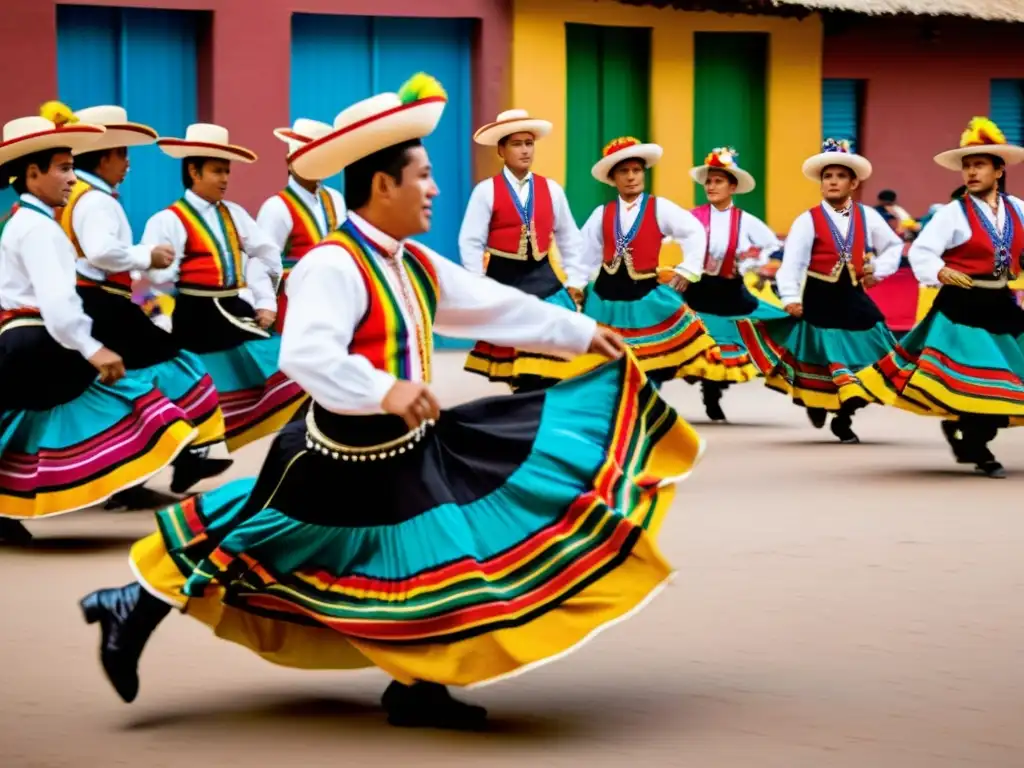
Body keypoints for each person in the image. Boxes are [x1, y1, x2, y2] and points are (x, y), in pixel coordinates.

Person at [80, 73, 704, 731]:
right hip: (335, 453)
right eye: (425, 176)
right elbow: (306, 356)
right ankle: (134, 600)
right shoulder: (333, 263)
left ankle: (415, 688)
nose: (435, 188)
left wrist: (578, 330)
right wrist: (386, 388)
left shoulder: (412, 262)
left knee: (430, 558)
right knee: (251, 545)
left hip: (398, 447)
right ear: (384, 185)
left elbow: (489, 303)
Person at [0, 103, 196, 544]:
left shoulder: (26, 220)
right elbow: (72, 286)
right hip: (63, 326)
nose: (71, 177)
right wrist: (93, 347)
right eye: (63, 168)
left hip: (48, 328)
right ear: (32, 174)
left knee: (23, 424)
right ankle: (172, 463)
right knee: (138, 400)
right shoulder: (54, 223)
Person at [58, 105, 232, 510]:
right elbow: (102, 254)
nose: (127, 164)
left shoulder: (75, 197)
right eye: (122, 154)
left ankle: (153, 471)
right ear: (104, 156)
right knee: (179, 368)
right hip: (104, 304)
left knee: (129, 385)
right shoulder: (97, 202)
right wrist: (146, 255)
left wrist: (145, 288)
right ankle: (180, 460)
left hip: (97, 301)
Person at [857, 117, 1024, 477]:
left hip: (1001, 305)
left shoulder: (1018, 210)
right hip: (961, 307)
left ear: (999, 169)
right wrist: (940, 271)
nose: (971, 172)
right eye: (966, 166)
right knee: (985, 379)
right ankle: (978, 446)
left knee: (1012, 380)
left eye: (979, 164)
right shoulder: (953, 213)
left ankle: (966, 431)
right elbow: (921, 252)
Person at [141, 123, 308, 452]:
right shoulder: (168, 220)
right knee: (283, 365)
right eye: (217, 171)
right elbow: (150, 281)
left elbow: (267, 253)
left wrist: (265, 301)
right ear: (193, 170)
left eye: (227, 171)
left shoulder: (234, 214)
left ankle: (293, 442)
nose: (225, 179)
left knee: (291, 365)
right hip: (195, 314)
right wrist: (159, 322)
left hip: (230, 308)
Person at [753, 139, 904, 443]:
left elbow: (894, 245)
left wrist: (879, 270)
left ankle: (845, 415)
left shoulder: (868, 216)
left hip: (854, 297)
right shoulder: (808, 220)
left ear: (853, 182)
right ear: (821, 184)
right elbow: (792, 264)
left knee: (877, 351)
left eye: (840, 176)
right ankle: (821, 403)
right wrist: (791, 297)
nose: (833, 182)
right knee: (830, 360)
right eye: (828, 177)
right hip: (820, 300)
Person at [459, 109, 590, 391]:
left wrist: (575, 281)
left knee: (554, 365)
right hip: (504, 284)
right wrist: (479, 286)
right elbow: (470, 241)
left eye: (529, 143)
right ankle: (527, 413)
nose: (525, 150)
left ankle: (539, 414)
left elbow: (570, 238)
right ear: (501, 150)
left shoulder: (552, 189)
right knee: (520, 371)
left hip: (545, 283)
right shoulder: (486, 191)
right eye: (517, 144)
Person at [570, 137, 716, 385]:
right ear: (613, 178)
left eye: (636, 170)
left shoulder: (660, 208)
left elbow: (694, 231)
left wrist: (688, 269)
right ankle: (617, 413)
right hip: (605, 300)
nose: (631, 177)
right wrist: (576, 284)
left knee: (650, 362)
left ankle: (647, 407)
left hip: (645, 297)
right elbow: (584, 254)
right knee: (606, 366)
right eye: (624, 171)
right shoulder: (601, 214)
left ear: (643, 174)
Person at [684, 146, 789, 421]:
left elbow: (772, 247)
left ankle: (714, 390)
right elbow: (660, 235)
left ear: (733, 186)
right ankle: (707, 389)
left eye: (718, 180)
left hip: (731, 294)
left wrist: (752, 261)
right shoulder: (691, 218)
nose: (711, 185)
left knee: (781, 324)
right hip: (698, 292)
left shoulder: (746, 221)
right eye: (709, 180)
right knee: (695, 341)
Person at [256, 118, 346, 333]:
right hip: (295, 307)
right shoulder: (276, 207)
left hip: (336, 304)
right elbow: (263, 265)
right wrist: (265, 306)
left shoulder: (336, 199)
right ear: (290, 161)